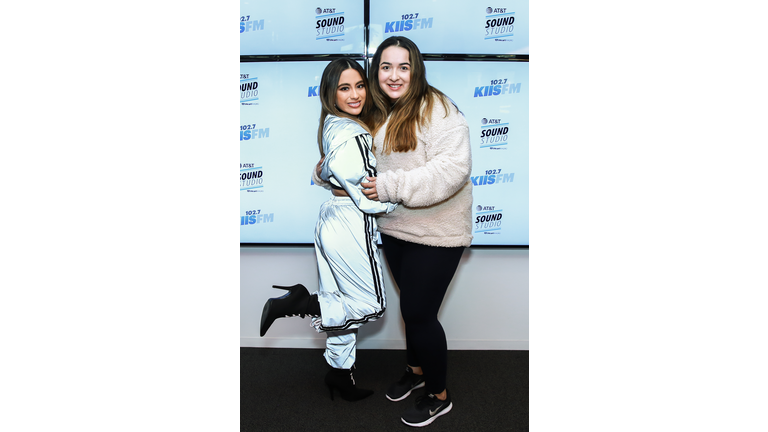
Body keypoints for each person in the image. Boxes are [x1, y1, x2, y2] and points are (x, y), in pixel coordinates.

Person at [259, 58, 397, 402]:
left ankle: (339, 375)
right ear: (330, 93)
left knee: (339, 302)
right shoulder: (353, 133)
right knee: (370, 305)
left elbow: (323, 173)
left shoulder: (335, 124)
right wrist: (397, 201)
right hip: (350, 221)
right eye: (344, 88)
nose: (355, 95)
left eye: (360, 86)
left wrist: (322, 174)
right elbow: (368, 194)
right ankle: (298, 302)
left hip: (331, 219)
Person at [361, 36, 473, 427]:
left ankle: (439, 396)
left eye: (403, 67)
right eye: (386, 67)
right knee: (412, 311)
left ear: (416, 70)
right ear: (377, 72)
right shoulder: (380, 111)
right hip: (395, 229)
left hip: (436, 232)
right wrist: (327, 170)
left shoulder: (439, 109)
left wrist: (390, 186)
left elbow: (453, 170)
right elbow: (358, 163)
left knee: (418, 313)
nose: (394, 75)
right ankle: (416, 370)